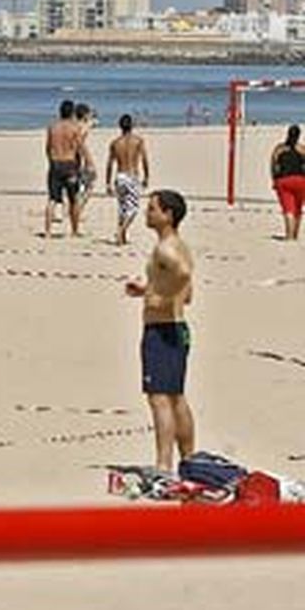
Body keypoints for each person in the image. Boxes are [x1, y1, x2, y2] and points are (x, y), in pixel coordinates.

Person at [125, 190, 196, 474]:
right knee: (176, 396)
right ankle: (188, 459)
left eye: (152, 209)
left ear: (168, 215)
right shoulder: (179, 245)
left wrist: (162, 299)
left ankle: (164, 464)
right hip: (176, 328)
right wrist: (149, 290)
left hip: (162, 329)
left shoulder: (165, 249)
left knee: (159, 399)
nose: (147, 213)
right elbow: (188, 293)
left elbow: (183, 275)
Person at [43, 99, 90, 238]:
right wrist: (88, 162)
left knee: (52, 199)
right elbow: (80, 147)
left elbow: (48, 147)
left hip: (55, 163)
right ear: (72, 113)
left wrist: (51, 161)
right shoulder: (75, 128)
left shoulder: (52, 127)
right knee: (73, 199)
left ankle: (47, 231)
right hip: (70, 164)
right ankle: (74, 230)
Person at [106, 114, 150, 247]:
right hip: (131, 176)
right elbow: (144, 159)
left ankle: (123, 238)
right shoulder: (138, 141)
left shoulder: (115, 143)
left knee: (122, 207)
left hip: (120, 176)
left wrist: (107, 182)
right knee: (134, 208)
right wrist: (147, 176)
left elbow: (109, 164)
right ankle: (121, 232)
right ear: (132, 125)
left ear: (120, 126)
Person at [270, 125, 305, 241]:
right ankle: (295, 235)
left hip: (284, 180)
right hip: (301, 180)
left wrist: (274, 180)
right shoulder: (302, 149)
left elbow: (273, 165)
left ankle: (289, 236)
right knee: (298, 209)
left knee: (288, 208)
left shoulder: (279, 149)